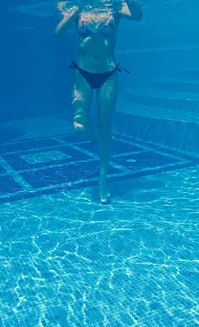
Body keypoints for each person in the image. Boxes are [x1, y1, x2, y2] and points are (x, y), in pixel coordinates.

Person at [54, 0, 143, 204]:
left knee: (106, 126)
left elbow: (138, 15)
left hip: (108, 74)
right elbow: (58, 33)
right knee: (79, 127)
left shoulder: (117, 7)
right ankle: (89, 129)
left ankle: (103, 176)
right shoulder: (78, 8)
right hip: (83, 73)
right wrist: (71, 14)